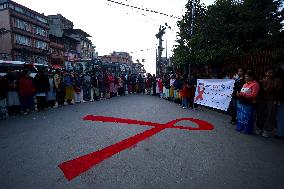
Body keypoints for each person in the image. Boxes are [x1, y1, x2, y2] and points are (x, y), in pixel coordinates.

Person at [256, 68, 282, 137]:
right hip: (262, 100)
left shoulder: (277, 81)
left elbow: (280, 91)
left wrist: (274, 90)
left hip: (272, 100)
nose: (271, 74)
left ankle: (266, 130)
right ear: (266, 73)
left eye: (272, 73)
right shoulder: (262, 81)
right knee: (260, 114)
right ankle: (259, 128)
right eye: (269, 72)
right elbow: (259, 91)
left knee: (269, 115)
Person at [236, 70, 260, 134]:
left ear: (251, 77)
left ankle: (247, 129)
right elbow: (242, 91)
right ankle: (240, 127)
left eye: (247, 76)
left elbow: (253, 94)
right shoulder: (245, 84)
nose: (245, 78)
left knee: (248, 117)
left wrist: (243, 94)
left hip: (250, 103)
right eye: (245, 76)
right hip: (242, 102)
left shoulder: (255, 85)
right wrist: (239, 94)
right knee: (241, 116)